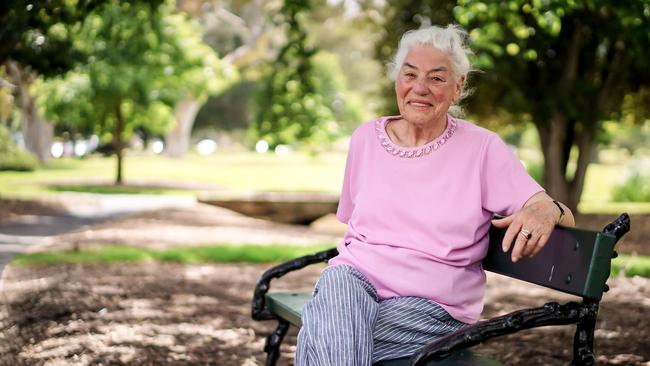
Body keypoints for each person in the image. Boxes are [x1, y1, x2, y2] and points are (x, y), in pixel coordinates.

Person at [295, 24, 575, 365]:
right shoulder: (365, 139)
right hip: (354, 286)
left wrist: (548, 210)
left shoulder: (481, 148)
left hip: (433, 307)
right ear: (397, 80)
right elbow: (354, 225)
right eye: (410, 74)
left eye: (437, 78)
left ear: (458, 87)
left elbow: (547, 208)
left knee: (321, 329)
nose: (420, 88)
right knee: (336, 286)